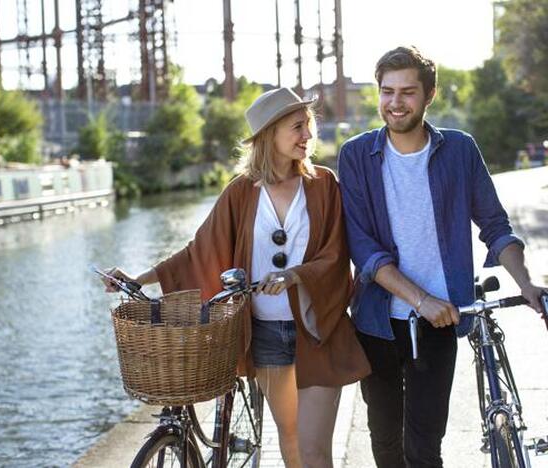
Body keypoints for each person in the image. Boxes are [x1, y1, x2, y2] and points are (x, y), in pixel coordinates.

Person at [104, 87, 370, 467]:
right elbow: (200, 251)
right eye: (298, 127)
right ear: (269, 134)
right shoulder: (241, 193)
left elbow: (335, 253)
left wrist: (295, 275)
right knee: (291, 438)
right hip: (267, 334)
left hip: (318, 330)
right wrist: (139, 278)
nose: (308, 136)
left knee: (314, 450)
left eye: (308, 126)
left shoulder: (324, 185)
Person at [337, 45, 547, 468]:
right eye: (387, 91)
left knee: (423, 447)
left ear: (429, 95)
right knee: (386, 444)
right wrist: (419, 299)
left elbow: (495, 225)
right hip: (377, 321)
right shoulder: (356, 155)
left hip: (441, 318)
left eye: (407, 92)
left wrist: (527, 285)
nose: (395, 103)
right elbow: (362, 247)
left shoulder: (459, 151)